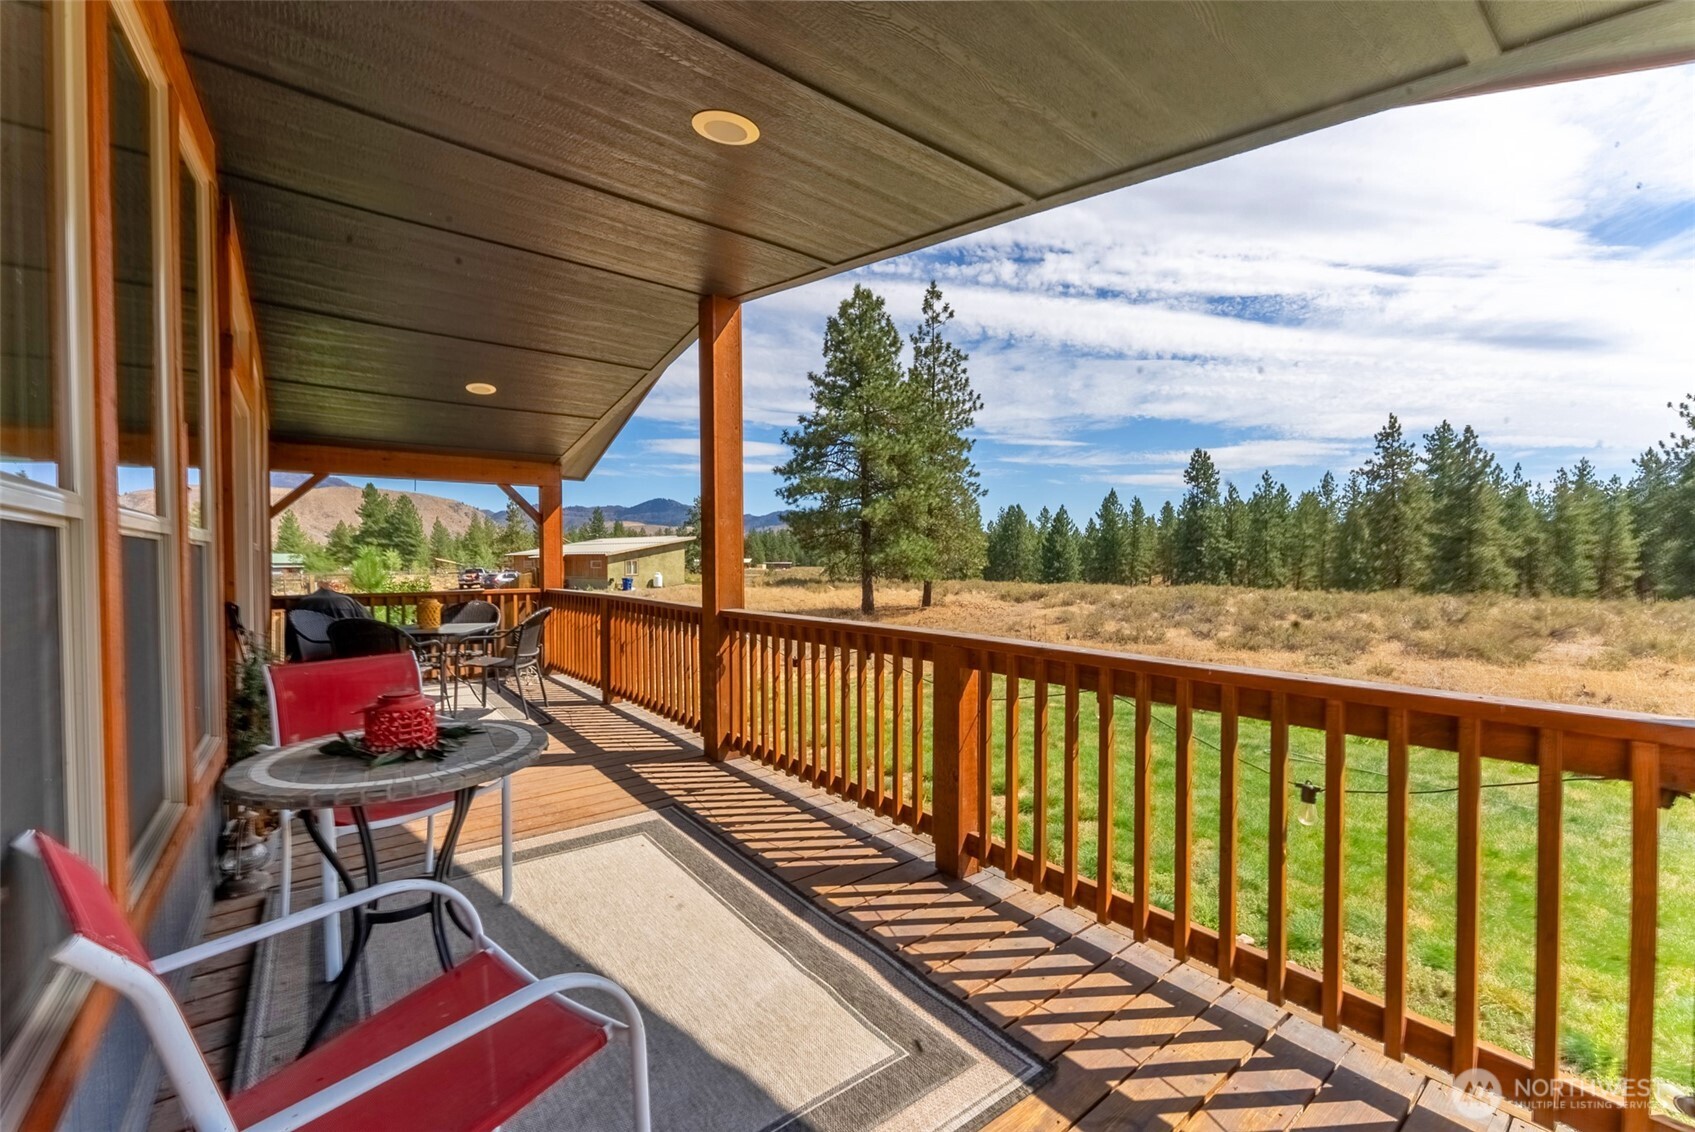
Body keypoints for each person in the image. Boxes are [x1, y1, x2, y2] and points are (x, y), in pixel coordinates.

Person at [283, 582, 372, 661]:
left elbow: (291, 635)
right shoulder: (350, 603)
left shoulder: (303, 605)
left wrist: (290, 651)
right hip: (346, 650)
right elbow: (368, 625)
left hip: (310, 651)